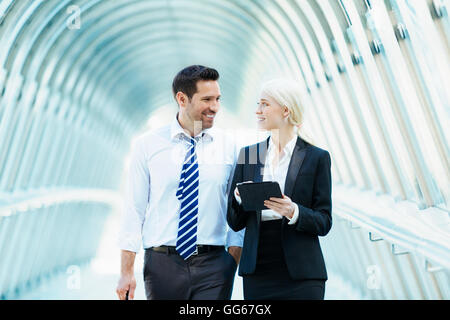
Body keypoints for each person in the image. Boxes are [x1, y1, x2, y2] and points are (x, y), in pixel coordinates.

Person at [116, 65, 243, 300]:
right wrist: (126, 272)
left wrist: (231, 262)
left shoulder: (230, 147)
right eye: (207, 99)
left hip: (214, 266)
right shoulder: (148, 145)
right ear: (182, 99)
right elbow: (134, 210)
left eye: (217, 99)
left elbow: (238, 209)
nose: (214, 107)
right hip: (162, 264)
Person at [227, 78, 332, 300]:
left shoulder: (316, 157)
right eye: (258, 104)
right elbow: (234, 222)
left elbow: (324, 221)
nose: (258, 111)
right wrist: (239, 199)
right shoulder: (249, 156)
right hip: (258, 271)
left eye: (264, 104)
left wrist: (293, 211)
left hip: (302, 273)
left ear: (285, 110)